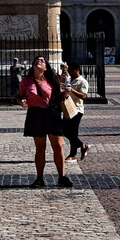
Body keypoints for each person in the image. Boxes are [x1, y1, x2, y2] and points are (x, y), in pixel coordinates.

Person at [17, 57, 69, 187]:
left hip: (52, 113)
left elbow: (60, 96)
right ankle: (39, 178)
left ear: (46, 67)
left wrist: (66, 93)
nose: (39, 61)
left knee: (57, 146)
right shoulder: (26, 81)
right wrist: (21, 101)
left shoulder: (52, 81)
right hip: (36, 114)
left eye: (42, 60)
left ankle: (62, 177)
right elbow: (20, 95)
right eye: (37, 60)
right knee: (40, 148)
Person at [60, 62, 90, 161]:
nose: (70, 72)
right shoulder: (69, 80)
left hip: (77, 109)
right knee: (64, 130)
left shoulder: (82, 81)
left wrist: (72, 90)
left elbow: (83, 96)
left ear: (77, 70)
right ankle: (82, 145)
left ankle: (72, 155)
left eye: (71, 71)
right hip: (67, 108)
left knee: (73, 132)